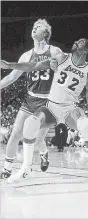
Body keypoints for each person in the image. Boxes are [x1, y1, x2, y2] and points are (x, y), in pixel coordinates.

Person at [1, 39, 88, 194]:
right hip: (52, 107)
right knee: (30, 123)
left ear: (86, 51)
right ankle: (26, 167)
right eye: (76, 41)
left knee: (87, 126)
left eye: (81, 42)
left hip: (70, 109)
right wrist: (10, 65)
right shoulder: (61, 58)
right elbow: (33, 66)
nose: (76, 41)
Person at [0, 18, 61, 179]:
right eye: (33, 26)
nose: (34, 28)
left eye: (38, 27)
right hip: (31, 99)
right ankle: (7, 168)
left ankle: (44, 153)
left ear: (45, 33)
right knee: (15, 134)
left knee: (38, 138)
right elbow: (12, 77)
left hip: (48, 102)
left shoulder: (54, 51)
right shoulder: (26, 55)